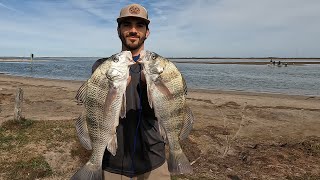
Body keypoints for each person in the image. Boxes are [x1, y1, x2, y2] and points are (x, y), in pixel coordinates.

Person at [91, 4, 171, 180]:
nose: (133, 30)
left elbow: (164, 113)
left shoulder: (160, 68)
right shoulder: (102, 67)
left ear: (147, 32)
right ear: (118, 30)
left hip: (154, 163)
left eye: (140, 26)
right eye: (127, 25)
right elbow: (98, 113)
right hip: (113, 164)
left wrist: (146, 86)